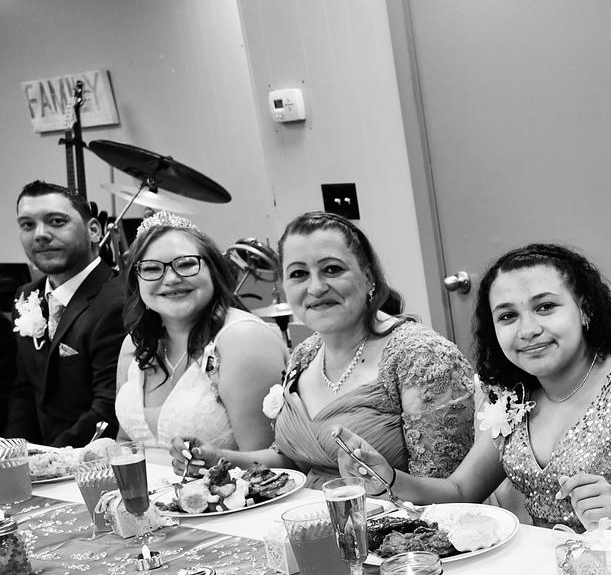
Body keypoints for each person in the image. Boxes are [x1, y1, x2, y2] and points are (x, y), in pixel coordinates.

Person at [335, 242, 611, 545]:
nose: (528, 330)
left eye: (545, 307)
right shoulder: (513, 395)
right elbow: (460, 492)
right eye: (508, 316)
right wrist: (388, 477)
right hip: (540, 574)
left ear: (585, 310)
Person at [180, 212, 474, 482]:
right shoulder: (305, 354)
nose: (316, 287)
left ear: (368, 276)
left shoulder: (420, 357)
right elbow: (293, 461)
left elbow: (443, 491)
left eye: (332, 269)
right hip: (310, 516)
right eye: (298, 274)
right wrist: (221, 459)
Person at [114, 211, 286, 465]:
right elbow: (125, 443)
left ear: (213, 270)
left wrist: (215, 461)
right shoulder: (136, 343)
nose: (171, 279)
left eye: (185, 264)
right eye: (151, 268)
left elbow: (278, 465)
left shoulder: (242, 339)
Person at [7, 180, 128, 446]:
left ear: (94, 230)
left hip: (95, 456)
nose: (40, 234)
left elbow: (108, 407)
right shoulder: (26, 296)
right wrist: (12, 455)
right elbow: (24, 392)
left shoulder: (119, 301)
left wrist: (47, 460)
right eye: (27, 225)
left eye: (57, 221)